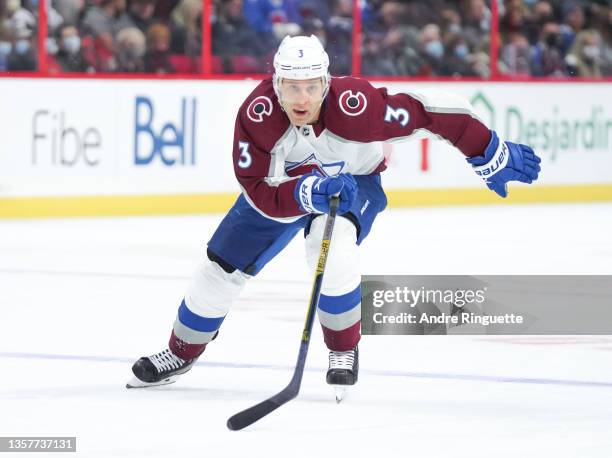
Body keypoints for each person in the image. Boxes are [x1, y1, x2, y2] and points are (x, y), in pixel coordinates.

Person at [126, 35, 541, 389]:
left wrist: (488, 150)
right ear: (276, 85)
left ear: (326, 83)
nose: (302, 98)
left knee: (334, 249)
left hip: (354, 183)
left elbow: (433, 111)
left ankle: (343, 350)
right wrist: (307, 191)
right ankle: (180, 353)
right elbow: (258, 189)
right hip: (280, 193)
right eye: (291, 88)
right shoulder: (257, 118)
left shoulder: (355, 105)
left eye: (311, 87)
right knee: (219, 268)